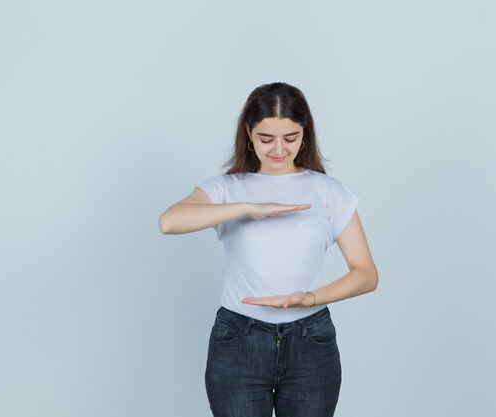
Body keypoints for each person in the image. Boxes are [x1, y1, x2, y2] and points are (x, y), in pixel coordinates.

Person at [158, 82, 378, 417]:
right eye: (266, 138)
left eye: (290, 138)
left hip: (310, 340)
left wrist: (311, 298)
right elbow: (170, 222)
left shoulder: (329, 191)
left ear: (305, 133)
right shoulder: (227, 189)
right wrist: (246, 207)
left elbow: (366, 273)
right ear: (248, 132)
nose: (278, 149)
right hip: (239, 340)